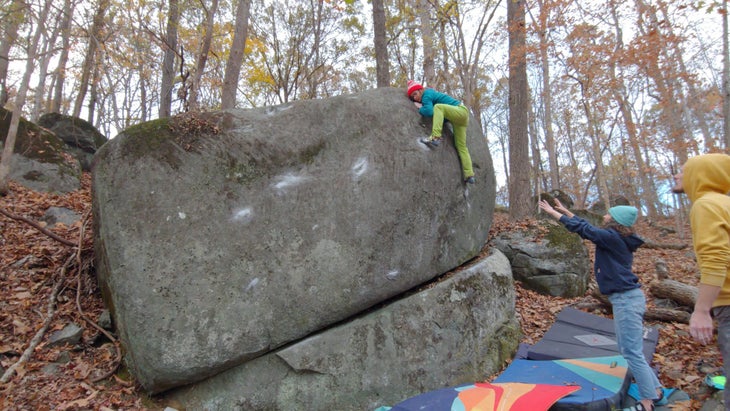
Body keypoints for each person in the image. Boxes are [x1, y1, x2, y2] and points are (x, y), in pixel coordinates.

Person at [538, 199, 665, 411]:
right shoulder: (617, 238)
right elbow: (589, 228)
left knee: (631, 354)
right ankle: (656, 391)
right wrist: (567, 211)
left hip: (627, 300)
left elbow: (584, 230)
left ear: (615, 221)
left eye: (608, 215)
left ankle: (647, 402)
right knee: (631, 351)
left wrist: (553, 213)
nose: (604, 216)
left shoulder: (612, 238)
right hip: (626, 299)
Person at [672, 153, 730, 410]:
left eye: (683, 171)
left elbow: (716, 259)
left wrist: (702, 310)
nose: (676, 175)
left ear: (700, 175)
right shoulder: (724, 203)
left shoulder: (706, 205)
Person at [406, 80, 475, 184]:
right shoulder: (428, 95)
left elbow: (429, 111)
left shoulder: (427, 94)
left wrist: (420, 108)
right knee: (461, 147)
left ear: (421, 90)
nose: (415, 97)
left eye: (415, 94)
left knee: (438, 107)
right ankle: (469, 175)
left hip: (460, 111)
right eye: (412, 97)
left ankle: (435, 137)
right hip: (460, 118)